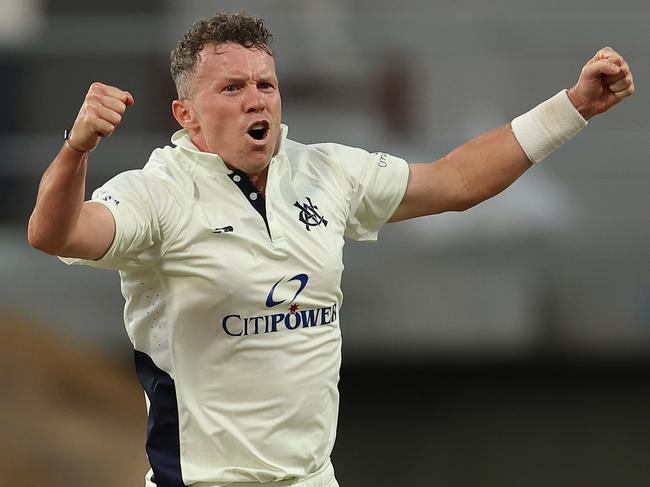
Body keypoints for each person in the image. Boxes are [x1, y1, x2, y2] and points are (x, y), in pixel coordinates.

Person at [27, 11, 634, 487]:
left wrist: (572, 107)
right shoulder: (158, 192)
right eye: (232, 87)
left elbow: (455, 182)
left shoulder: (324, 172)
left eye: (265, 84)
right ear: (187, 115)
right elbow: (56, 233)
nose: (256, 99)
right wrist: (76, 149)